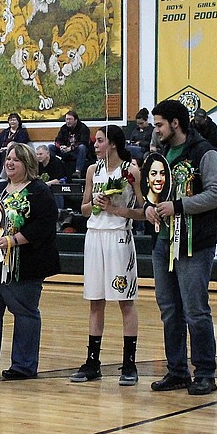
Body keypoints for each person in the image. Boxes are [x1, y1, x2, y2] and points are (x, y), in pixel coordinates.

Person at [143, 100, 217, 396]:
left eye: (160, 124)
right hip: (162, 244)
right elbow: (153, 193)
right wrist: (149, 208)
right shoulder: (161, 155)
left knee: (195, 310)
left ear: (176, 123)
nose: (156, 130)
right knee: (169, 310)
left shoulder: (205, 152)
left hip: (194, 244)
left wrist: (179, 206)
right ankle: (177, 370)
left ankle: (205, 372)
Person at [0, 143, 60, 379]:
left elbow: (44, 225)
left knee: (25, 313)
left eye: (15, 160)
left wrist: (15, 240)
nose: (9, 163)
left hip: (24, 267)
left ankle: (23, 365)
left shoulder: (39, 191)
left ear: (27, 164)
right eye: (8, 158)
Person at [71, 126, 143, 386]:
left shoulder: (131, 172)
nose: (95, 145)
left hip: (119, 237)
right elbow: (83, 209)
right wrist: (96, 204)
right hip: (94, 237)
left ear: (112, 144)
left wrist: (115, 209)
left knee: (125, 300)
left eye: (100, 141)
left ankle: (129, 364)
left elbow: (144, 211)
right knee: (95, 301)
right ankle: (93, 362)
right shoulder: (93, 171)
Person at [49, 110, 91, 179]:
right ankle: (54, 169)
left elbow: (84, 142)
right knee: (50, 147)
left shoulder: (83, 128)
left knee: (82, 147)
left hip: (76, 152)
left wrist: (71, 148)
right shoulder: (64, 128)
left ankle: (78, 171)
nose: (68, 121)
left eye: (70, 119)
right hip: (65, 151)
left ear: (76, 120)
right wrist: (61, 146)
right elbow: (57, 140)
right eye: (66, 119)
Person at [0, 113, 31, 178]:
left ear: (18, 121)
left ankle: (4, 177)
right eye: (11, 120)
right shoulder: (5, 131)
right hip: (2, 150)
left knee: (5, 157)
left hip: (13, 152)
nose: (12, 122)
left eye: (14, 120)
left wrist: (14, 144)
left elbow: (23, 142)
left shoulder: (22, 132)